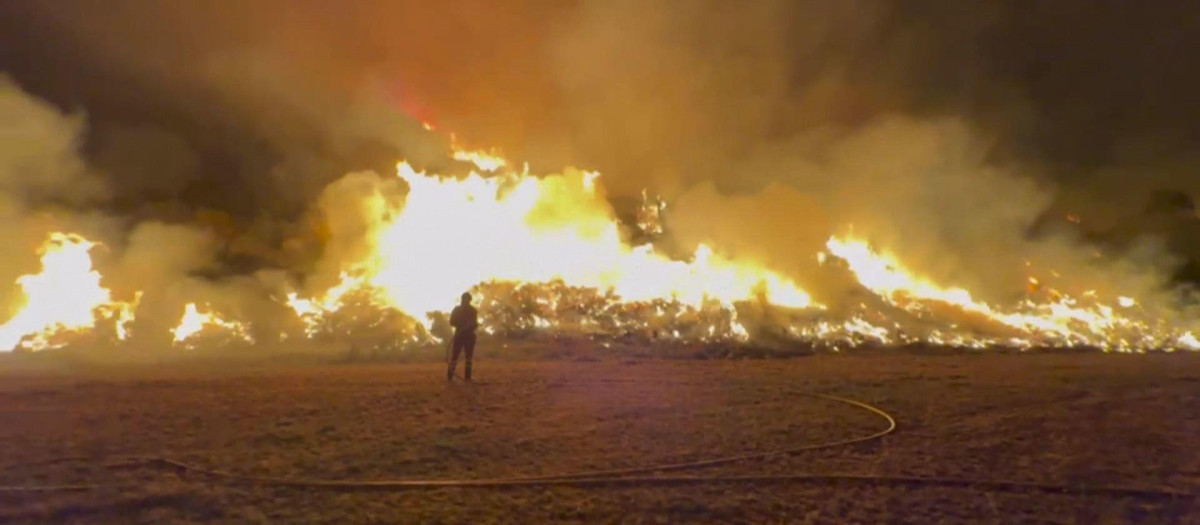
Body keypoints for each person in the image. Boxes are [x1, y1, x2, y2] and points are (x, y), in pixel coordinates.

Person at [447, 292, 478, 381]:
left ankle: (451, 377)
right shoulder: (472, 310)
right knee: (466, 357)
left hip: (462, 335)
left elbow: (452, 322)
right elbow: (452, 322)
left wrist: (471, 325)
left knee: (458, 356)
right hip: (465, 335)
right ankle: (465, 378)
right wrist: (465, 326)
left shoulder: (458, 310)